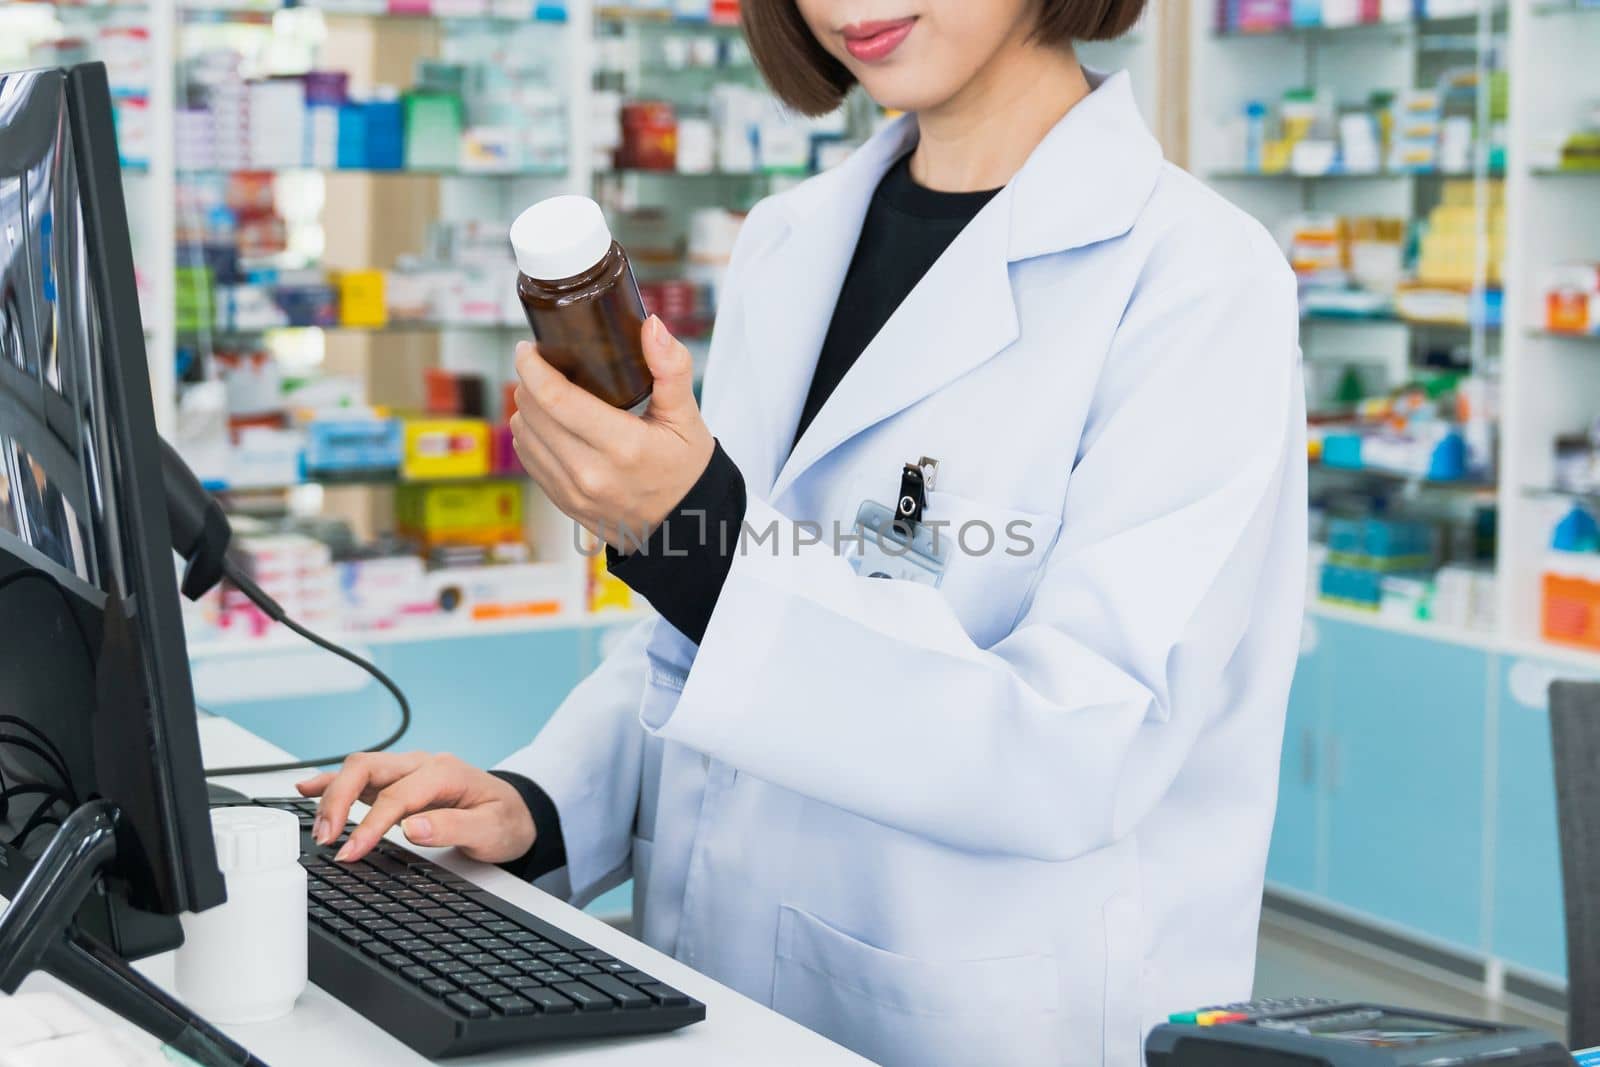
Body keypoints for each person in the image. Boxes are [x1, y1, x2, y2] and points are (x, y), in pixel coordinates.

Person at [298, 1, 1307, 1062]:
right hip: (712, 984)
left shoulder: (1197, 281)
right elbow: (694, 643)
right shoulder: (791, 239)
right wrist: (546, 801)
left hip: (985, 1014)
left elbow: (1082, 743)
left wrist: (692, 530)